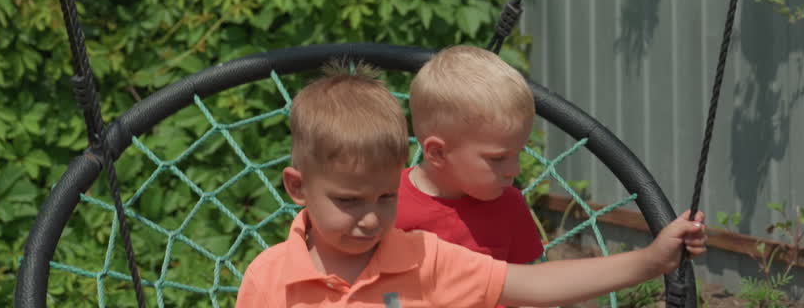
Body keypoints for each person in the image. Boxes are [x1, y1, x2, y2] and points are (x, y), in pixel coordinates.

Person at [234, 64, 706, 308]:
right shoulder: (270, 277)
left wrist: (651, 260)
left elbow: (533, 283)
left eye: (386, 196)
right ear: (298, 188)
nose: (372, 216)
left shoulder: (424, 256)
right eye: (348, 201)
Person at [398, 45, 544, 270]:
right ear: (437, 153)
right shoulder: (386, 203)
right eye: (498, 158)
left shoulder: (510, 205)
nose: (515, 170)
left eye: (518, 154)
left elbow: (529, 287)